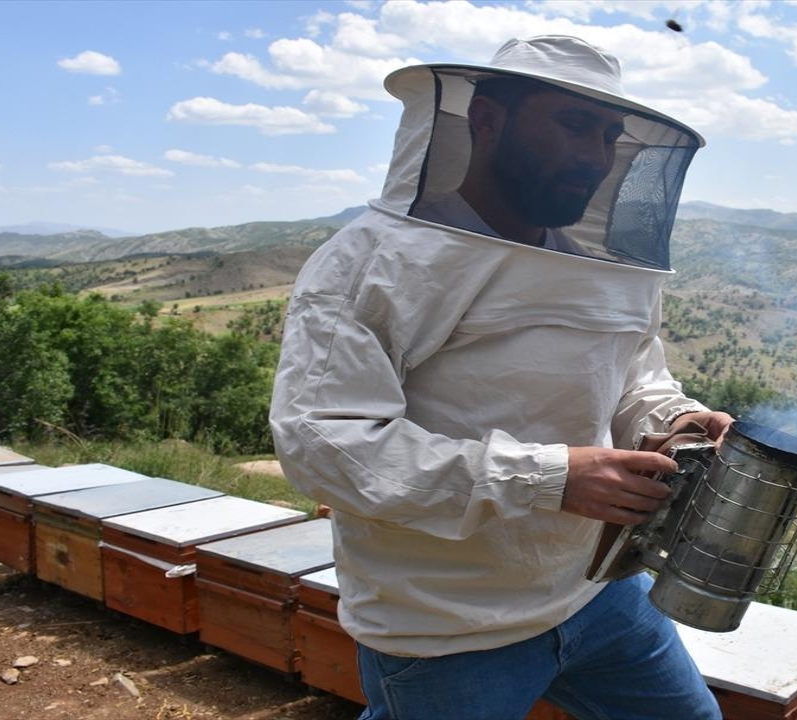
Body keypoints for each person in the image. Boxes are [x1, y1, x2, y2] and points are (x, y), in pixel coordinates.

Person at [270, 35, 731, 720]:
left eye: (609, 135)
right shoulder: (373, 262)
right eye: (573, 125)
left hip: (597, 590)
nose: (596, 158)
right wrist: (551, 478)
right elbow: (326, 445)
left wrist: (674, 422)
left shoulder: (593, 267)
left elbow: (633, 378)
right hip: (446, 625)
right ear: (486, 120)